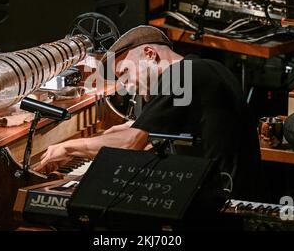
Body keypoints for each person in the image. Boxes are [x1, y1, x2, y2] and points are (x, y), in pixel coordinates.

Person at [36, 25, 261, 199]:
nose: (126, 85)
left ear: (149, 53)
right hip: (225, 191)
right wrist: (104, 138)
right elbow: (138, 132)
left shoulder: (183, 75)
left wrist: (68, 147)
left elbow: (133, 142)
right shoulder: (201, 69)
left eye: (125, 72)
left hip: (220, 203)